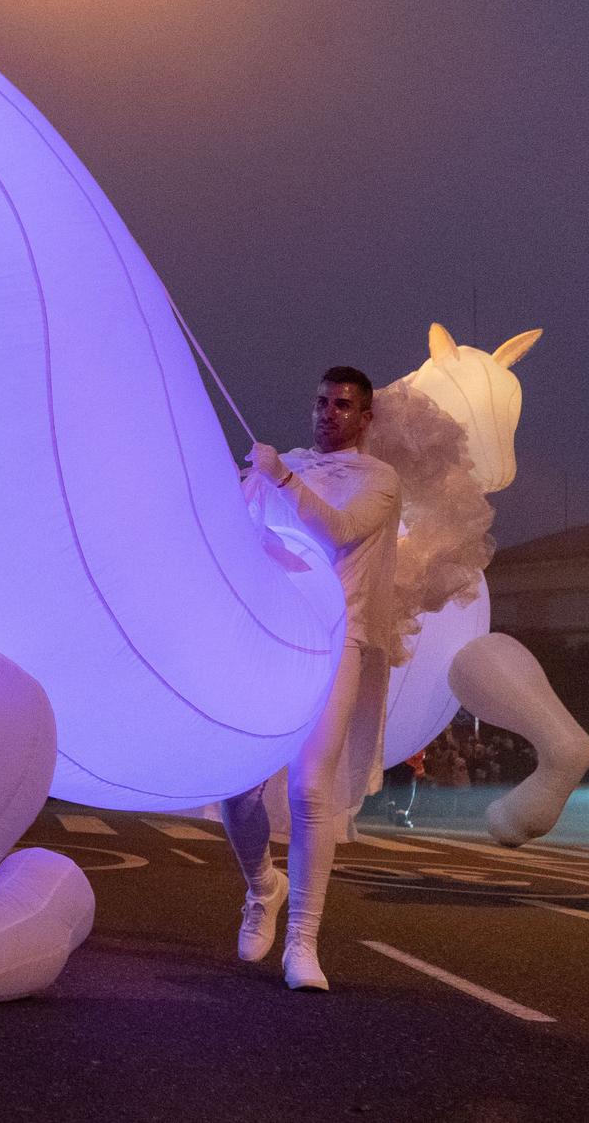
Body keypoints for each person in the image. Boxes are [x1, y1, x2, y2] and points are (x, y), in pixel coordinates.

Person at [225, 365, 401, 992]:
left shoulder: (377, 479)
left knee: (309, 791)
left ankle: (303, 940)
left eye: (344, 405)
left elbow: (342, 532)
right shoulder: (285, 462)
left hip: (338, 642)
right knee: (238, 786)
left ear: (366, 416)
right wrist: (246, 487)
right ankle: (260, 888)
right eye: (322, 401)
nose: (329, 413)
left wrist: (280, 479)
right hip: (274, 639)